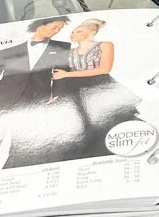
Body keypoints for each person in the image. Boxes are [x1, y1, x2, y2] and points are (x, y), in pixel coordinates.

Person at [0, 17, 71, 172]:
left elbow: (62, 73)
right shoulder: (7, 52)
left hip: (35, 103)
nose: (56, 31)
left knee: (22, 150)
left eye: (60, 29)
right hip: (0, 103)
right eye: (54, 27)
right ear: (40, 25)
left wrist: (56, 96)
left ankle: (11, 180)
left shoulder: (61, 47)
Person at [49, 19, 141, 160]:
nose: (73, 34)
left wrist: (67, 74)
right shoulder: (69, 52)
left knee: (111, 118)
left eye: (79, 31)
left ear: (91, 32)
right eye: (73, 31)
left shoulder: (105, 45)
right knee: (83, 123)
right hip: (76, 90)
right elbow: (60, 74)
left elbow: (104, 69)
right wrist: (54, 94)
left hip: (100, 86)